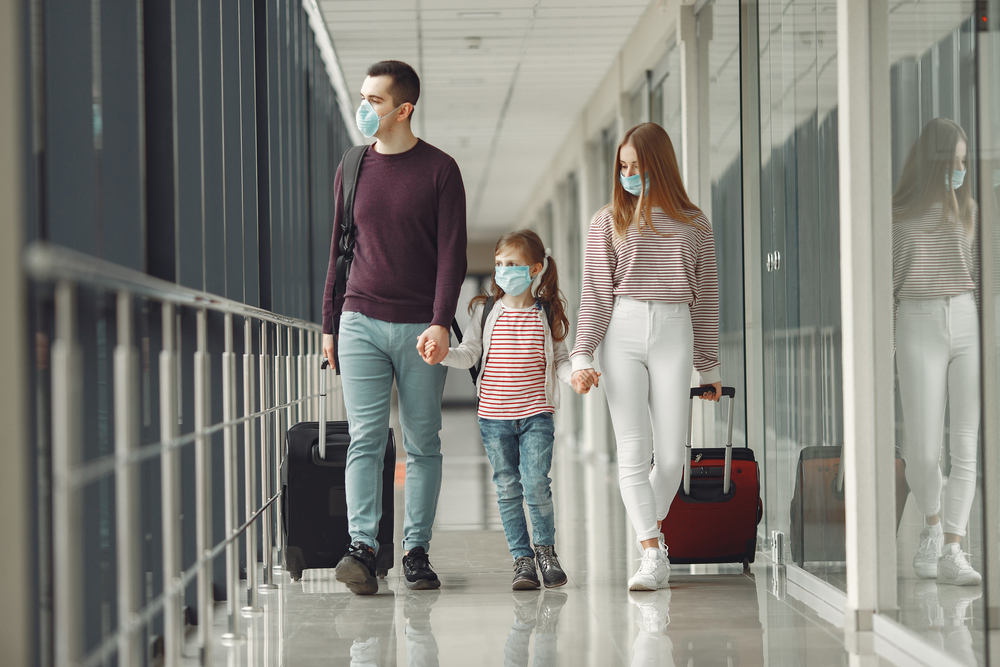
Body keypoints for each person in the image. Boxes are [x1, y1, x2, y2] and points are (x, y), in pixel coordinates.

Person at [322, 60, 468, 595]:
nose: (364, 108)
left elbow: (451, 256)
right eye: (363, 97)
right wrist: (329, 324)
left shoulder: (440, 170)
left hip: (419, 329)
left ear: (403, 109)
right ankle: (361, 546)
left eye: (375, 100)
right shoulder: (352, 166)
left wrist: (439, 322)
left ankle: (415, 550)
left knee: (422, 442)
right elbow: (339, 250)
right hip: (359, 318)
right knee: (365, 438)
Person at [571, 122, 721, 591]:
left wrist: (709, 363)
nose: (629, 174)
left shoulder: (695, 223)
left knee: (673, 458)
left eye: (636, 165)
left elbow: (708, 298)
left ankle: (646, 528)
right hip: (623, 329)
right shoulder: (607, 220)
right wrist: (581, 355)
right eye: (623, 167)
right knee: (633, 452)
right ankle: (653, 554)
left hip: (675, 329)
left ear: (659, 165)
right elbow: (595, 292)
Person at [421, 230, 572, 590]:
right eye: (500, 264)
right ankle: (522, 560)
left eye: (513, 265)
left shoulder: (547, 312)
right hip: (493, 416)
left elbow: (562, 362)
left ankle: (546, 551)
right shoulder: (486, 310)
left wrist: (577, 375)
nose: (503, 271)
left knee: (536, 485)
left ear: (535, 269)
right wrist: (444, 355)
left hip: (536, 414)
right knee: (507, 487)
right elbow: (469, 353)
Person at [893, 117, 981, 586]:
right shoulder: (898, 216)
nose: (961, 171)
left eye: (965, 162)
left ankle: (953, 545)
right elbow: (886, 286)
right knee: (924, 452)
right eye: (955, 162)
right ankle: (930, 523)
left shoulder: (970, 213)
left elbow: (984, 280)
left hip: (965, 318)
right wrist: (883, 350)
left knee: (965, 444)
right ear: (934, 163)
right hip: (917, 319)